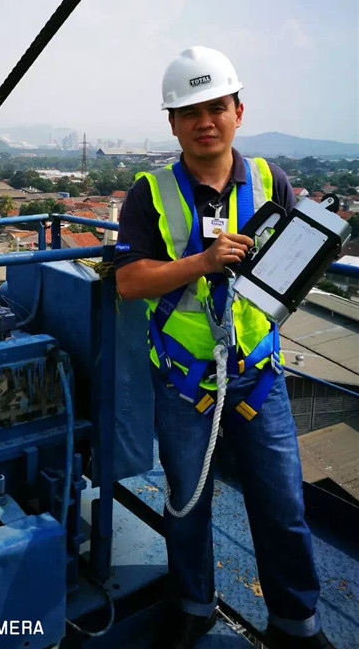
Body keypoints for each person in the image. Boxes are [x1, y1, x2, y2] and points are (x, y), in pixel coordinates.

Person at [114, 46, 333, 649]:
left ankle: (296, 623)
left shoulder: (269, 181)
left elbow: (291, 262)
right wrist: (203, 262)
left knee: (282, 505)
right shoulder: (149, 192)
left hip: (258, 376)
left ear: (239, 111)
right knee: (187, 504)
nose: (204, 121)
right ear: (173, 124)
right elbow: (129, 281)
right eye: (190, 112)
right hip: (185, 381)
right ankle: (192, 605)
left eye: (216, 108)